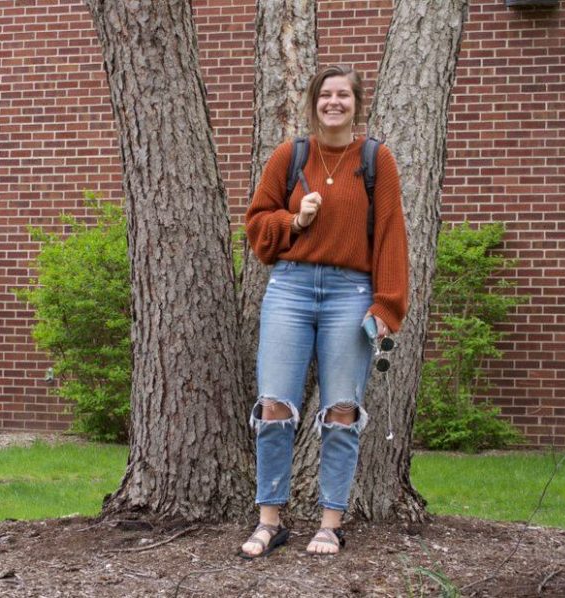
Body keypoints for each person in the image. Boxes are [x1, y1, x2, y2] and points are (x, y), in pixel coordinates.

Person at [239, 65, 409, 558]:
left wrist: (387, 303)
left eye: (343, 96)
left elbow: (392, 235)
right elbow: (256, 225)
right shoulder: (290, 156)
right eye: (325, 95)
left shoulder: (378, 160)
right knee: (274, 407)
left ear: (356, 104)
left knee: (341, 411)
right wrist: (296, 219)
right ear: (314, 103)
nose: (334, 102)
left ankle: (330, 524)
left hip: (350, 293)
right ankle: (270, 520)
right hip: (290, 291)